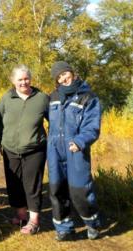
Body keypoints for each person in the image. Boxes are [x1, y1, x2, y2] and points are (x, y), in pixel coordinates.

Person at [48, 61, 102, 241]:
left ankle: (93, 223)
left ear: (72, 72)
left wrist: (79, 142)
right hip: (55, 149)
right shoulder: (53, 96)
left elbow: (92, 127)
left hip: (76, 150)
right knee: (57, 189)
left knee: (80, 190)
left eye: (65, 73)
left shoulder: (88, 96)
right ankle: (64, 228)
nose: (63, 78)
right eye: (59, 77)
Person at [0, 65, 49, 235]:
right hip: (10, 149)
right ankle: (21, 215)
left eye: (26, 78)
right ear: (13, 81)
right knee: (14, 183)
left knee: (32, 184)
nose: (23, 82)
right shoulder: (7, 98)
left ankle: (34, 221)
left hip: (35, 149)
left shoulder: (41, 98)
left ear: (30, 79)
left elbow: (54, 120)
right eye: (20, 79)